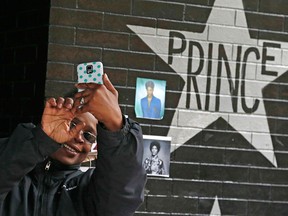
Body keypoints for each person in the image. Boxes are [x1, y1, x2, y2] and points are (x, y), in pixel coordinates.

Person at [0, 73, 147, 216]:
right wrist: (40, 141)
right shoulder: (14, 177)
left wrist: (115, 124)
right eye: (72, 125)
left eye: (88, 135)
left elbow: (122, 195)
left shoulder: (88, 190)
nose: (78, 137)